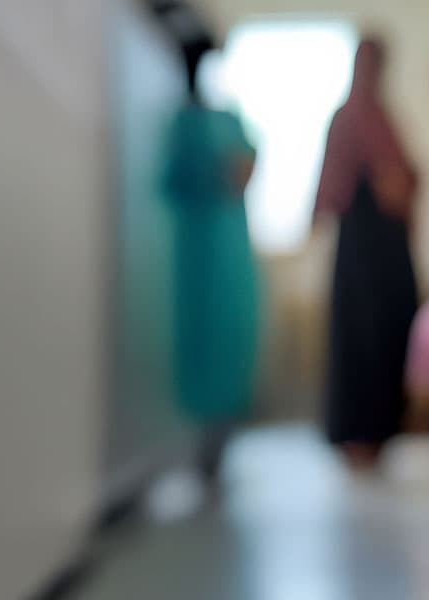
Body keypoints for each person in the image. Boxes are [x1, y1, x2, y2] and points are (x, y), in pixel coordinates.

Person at [314, 38, 421, 469]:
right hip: (360, 248)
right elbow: (335, 183)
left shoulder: (385, 118)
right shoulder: (349, 118)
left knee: (389, 332)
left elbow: (405, 176)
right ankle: (355, 433)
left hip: (388, 250)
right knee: (359, 335)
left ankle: (381, 432)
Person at [161, 35, 261, 489]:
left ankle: (217, 446)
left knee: (230, 337)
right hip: (193, 252)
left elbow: (245, 169)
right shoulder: (181, 123)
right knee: (194, 341)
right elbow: (171, 181)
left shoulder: (228, 120)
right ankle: (193, 448)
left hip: (227, 252)